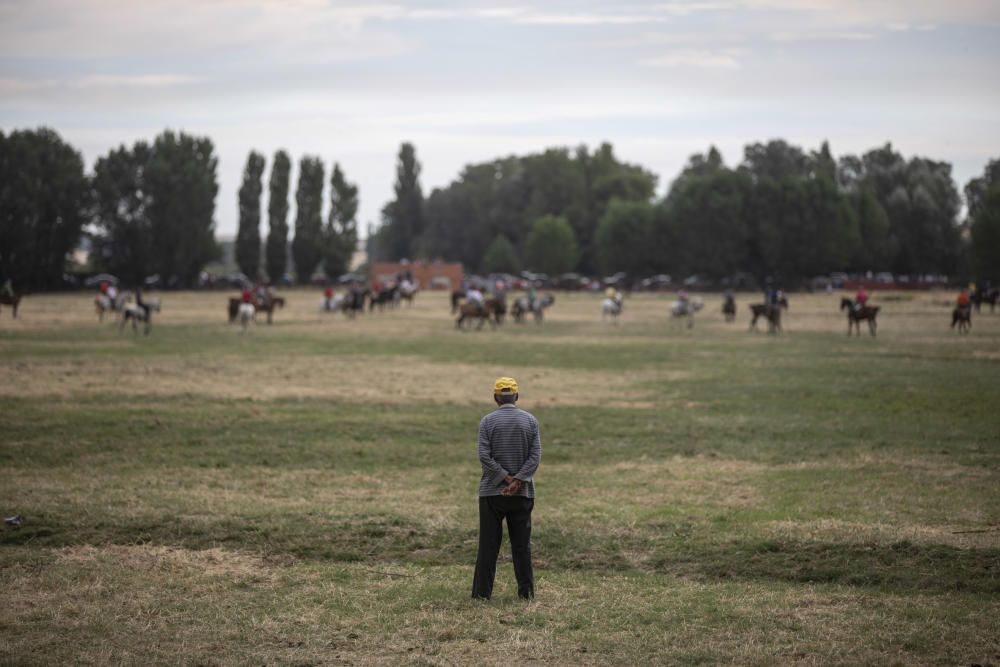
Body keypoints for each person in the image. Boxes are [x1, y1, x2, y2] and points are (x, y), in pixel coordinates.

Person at [472, 377, 541, 600]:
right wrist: (518, 481)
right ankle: (526, 594)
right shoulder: (530, 421)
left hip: (492, 493)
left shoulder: (487, 422)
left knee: (488, 547)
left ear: (495, 398)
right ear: (517, 397)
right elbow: (535, 456)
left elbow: (484, 456)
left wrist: (503, 478)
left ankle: (482, 594)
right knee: (522, 546)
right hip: (522, 494)